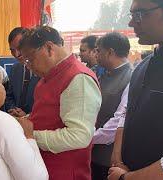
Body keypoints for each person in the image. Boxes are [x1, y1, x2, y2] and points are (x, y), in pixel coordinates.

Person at [18, 26, 102, 180]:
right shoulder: (49, 75)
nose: (28, 67)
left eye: (30, 59)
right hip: (45, 165)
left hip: (64, 170)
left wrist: (31, 135)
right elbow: (48, 113)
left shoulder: (78, 78)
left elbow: (79, 135)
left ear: (49, 48)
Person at [108, 0, 163, 179]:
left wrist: (127, 177)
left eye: (140, 14)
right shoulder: (142, 67)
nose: (131, 23)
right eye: (132, 15)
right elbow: (127, 112)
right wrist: (117, 156)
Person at [91, 32, 133, 180]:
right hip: (93, 150)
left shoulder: (131, 77)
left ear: (110, 52)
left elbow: (118, 122)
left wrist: (88, 137)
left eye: (98, 50)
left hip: (108, 158)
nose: (95, 54)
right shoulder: (104, 75)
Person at [5, 27, 40, 117]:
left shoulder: (44, 69)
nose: (16, 54)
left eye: (19, 48)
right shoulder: (14, 69)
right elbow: (9, 96)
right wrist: (14, 110)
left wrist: (27, 115)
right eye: (12, 50)